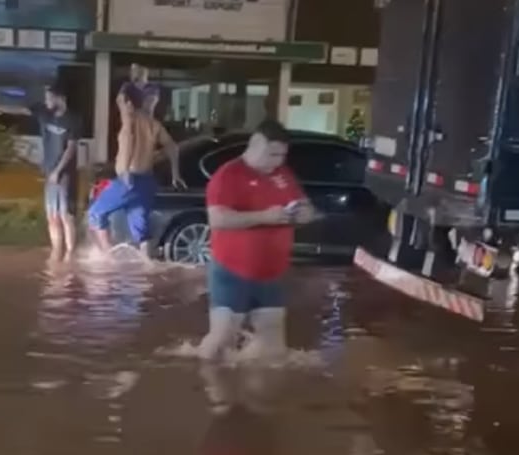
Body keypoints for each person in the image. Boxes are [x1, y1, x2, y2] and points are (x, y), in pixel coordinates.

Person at [197, 119, 317, 360]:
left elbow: (304, 205)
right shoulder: (228, 176)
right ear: (255, 145)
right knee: (222, 339)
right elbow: (218, 219)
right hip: (232, 273)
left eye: (282, 155)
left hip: (271, 275)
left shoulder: (283, 174)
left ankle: (258, 395)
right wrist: (264, 216)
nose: (277, 161)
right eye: (272, 154)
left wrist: (305, 213)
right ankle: (202, 385)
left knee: (273, 349)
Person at [87, 85, 185, 257]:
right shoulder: (155, 125)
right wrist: (176, 174)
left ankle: (106, 258)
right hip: (146, 182)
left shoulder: (129, 118)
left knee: (95, 214)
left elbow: (120, 99)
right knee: (141, 231)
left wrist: (129, 84)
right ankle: (146, 268)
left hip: (128, 180)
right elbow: (173, 148)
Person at [35, 83, 79, 262]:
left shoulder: (73, 119)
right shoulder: (45, 115)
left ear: (60, 98)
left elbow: (71, 148)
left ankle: (70, 255)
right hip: (49, 173)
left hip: (64, 175)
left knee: (65, 215)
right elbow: (20, 109)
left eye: (49, 97)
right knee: (51, 216)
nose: (46, 101)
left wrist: (58, 171)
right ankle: (56, 252)